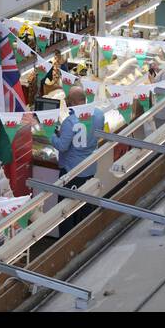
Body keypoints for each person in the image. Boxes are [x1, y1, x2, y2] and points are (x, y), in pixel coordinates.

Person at [51, 88, 102, 234]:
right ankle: (86, 234)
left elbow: (62, 146)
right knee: (85, 205)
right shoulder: (98, 114)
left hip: (71, 171)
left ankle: (66, 241)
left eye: (68, 102)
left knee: (65, 211)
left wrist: (51, 135)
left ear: (72, 102)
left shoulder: (70, 121)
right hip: (90, 167)